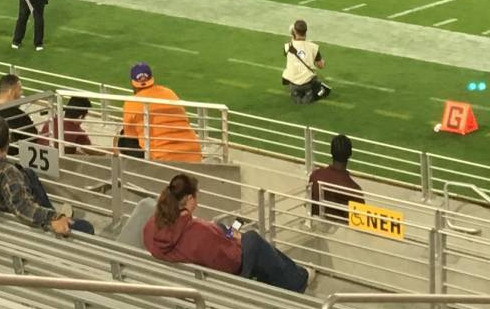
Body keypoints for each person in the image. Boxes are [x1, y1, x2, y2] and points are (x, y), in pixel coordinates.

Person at [143, 173, 308, 293]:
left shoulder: (153, 224)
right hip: (220, 277)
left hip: (185, 271)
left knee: (224, 228)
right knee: (253, 240)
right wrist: (237, 240)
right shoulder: (199, 231)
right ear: (189, 199)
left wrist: (223, 234)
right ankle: (298, 280)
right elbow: (231, 262)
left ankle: (285, 275)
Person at [119, 62, 202, 162]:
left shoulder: (131, 103)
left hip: (163, 157)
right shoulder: (169, 93)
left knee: (123, 140)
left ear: (133, 83)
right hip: (194, 153)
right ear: (152, 79)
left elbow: (130, 136)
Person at [307, 132, 361, 222]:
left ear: (331, 152)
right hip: (340, 232)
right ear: (350, 153)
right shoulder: (354, 190)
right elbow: (359, 220)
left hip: (316, 226)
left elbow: (309, 204)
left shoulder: (315, 175)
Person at [281, 20, 328, 104]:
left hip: (293, 85)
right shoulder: (313, 47)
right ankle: (311, 94)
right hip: (308, 84)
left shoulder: (287, 46)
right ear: (306, 31)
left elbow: (292, 47)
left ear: (294, 31)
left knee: (298, 99)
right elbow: (321, 65)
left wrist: (293, 36)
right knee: (321, 89)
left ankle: (297, 94)